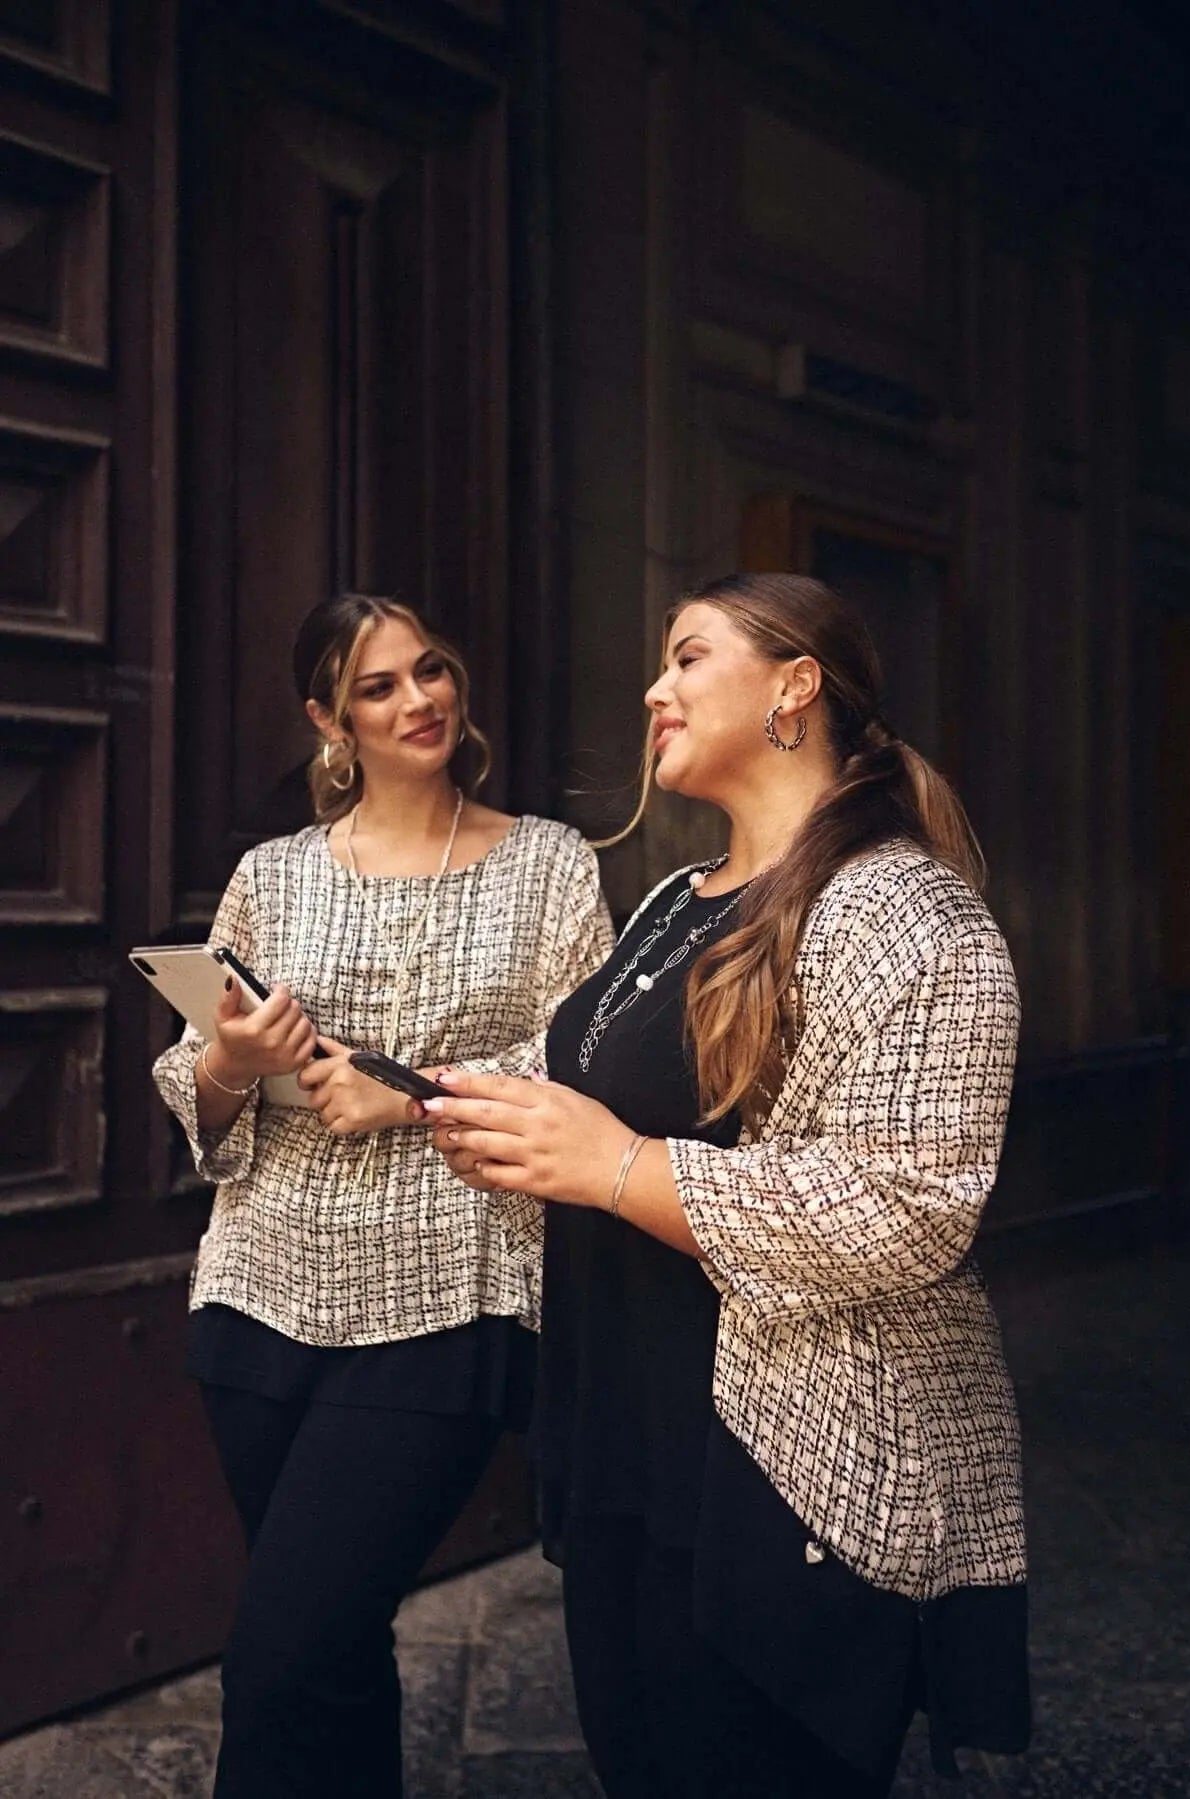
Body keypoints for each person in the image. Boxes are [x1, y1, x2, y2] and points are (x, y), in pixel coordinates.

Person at [428, 573, 1031, 1798]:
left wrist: (617, 1168)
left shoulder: (911, 911)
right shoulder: (674, 900)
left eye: (690, 656)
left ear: (793, 686)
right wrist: (420, 1093)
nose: (656, 688)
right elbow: (582, 1072)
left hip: (783, 1469)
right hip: (625, 1436)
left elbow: (909, 1206)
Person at [152, 591, 612, 1799]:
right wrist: (231, 1058)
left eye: (431, 669)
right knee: (336, 1646)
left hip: (449, 1291)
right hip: (257, 1288)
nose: (421, 699)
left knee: (276, 1659)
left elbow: (592, 1060)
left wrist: (407, 1096)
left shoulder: (550, 863)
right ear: (329, 720)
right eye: (379, 685)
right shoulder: (272, 873)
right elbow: (195, 1081)